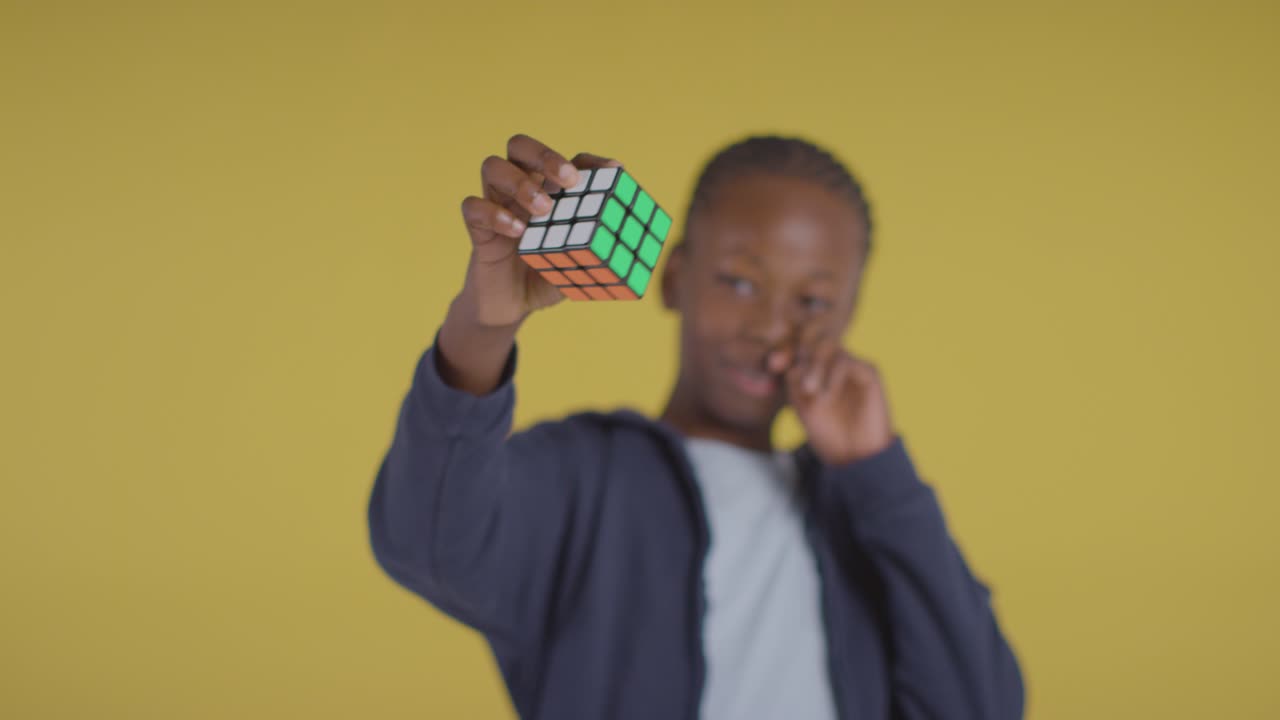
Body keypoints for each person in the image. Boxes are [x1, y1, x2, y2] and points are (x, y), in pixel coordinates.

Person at [367, 133, 1024, 720]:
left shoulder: (858, 512)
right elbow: (426, 545)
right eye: (738, 282)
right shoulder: (588, 476)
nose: (770, 327)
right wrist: (483, 328)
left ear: (851, 312)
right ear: (676, 277)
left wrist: (878, 473)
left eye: (813, 301)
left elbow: (981, 704)